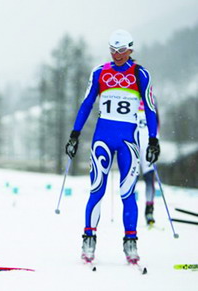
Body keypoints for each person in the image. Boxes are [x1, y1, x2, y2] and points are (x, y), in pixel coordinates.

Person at [65, 29, 160, 264]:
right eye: (113, 50)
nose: (117, 55)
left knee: (128, 192)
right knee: (97, 189)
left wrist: (153, 140)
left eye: (122, 51)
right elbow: (87, 103)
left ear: (130, 50)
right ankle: (89, 240)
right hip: (102, 140)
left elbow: (149, 108)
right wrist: (74, 135)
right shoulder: (100, 72)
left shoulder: (141, 74)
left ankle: (130, 244)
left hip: (129, 142)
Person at [137, 99, 159, 225]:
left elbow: (156, 123)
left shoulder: (151, 98)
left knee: (149, 179)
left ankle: (149, 211)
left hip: (147, 145)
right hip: (133, 143)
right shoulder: (130, 91)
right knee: (131, 179)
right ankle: (129, 211)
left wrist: (156, 143)